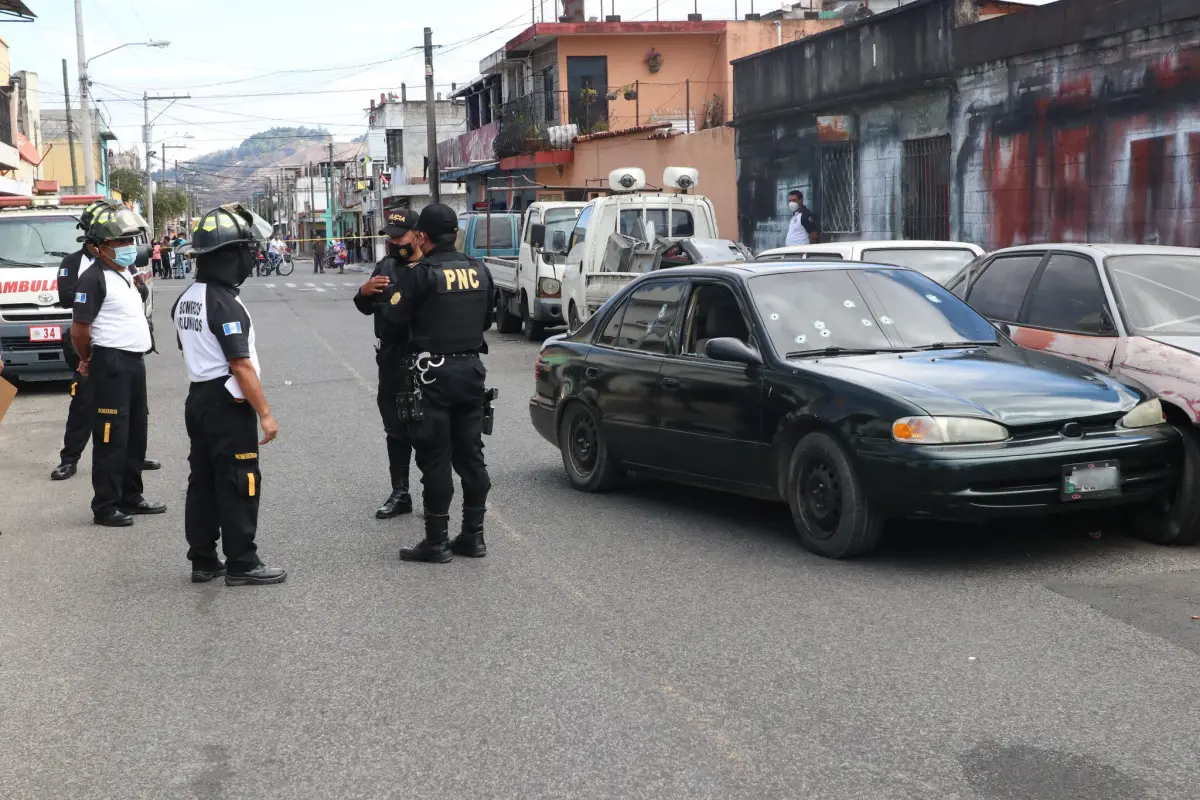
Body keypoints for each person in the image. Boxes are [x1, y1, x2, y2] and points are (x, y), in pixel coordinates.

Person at [170, 204, 286, 586]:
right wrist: (265, 414)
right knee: (240, 480)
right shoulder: (223, 302)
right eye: (246, 252)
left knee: (202, 480)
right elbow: (240, 365)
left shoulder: (188, 297)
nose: (250, 259)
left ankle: (203, 559)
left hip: (199, 397)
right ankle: (241, 562)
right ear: (230, 256)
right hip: (226, 403)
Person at [381, 203, 495, 563]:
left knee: (435, 460)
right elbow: (488, 317)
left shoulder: (421, 273)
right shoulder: (480, 270)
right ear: (455, 234)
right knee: (473, 459)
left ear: (422, 236)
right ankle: (473, 538)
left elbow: (393, 321)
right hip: (471, 372)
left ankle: (437, 542)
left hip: (431, 375)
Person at [52, 200, 161, 482]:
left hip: (126, 352)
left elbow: (140, 294)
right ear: (96, 237)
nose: (126, 245)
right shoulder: (77, 265)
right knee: (84, 406)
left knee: (132, 414)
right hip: (91, 347)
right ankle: (69, 458)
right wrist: (97, 287)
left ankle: (132, 457)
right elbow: (69, 301)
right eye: (119, 238)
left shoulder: (122, 267)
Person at [71, 205, 166, 527]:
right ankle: (106, 505)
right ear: (99, 247)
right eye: (120, 242)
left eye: (129, 240)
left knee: (135, 432)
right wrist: (86, 360)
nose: (127, 247)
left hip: (133, 361)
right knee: (111, 435)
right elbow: (79, 329)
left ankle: (131, 496)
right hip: (110, 363)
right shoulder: (92, 278)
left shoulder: (123, 273)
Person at [353, 210, 417, 520]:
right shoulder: (386, 265)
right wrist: (363, 293)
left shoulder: (431, 267)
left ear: (418, 235)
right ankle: (400, 492)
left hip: (424, 359)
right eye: (389, 237)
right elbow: (366, 306)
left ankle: (435, 493)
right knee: (395, 428)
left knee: (430, 428)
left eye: (399, 236)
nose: (393, 243)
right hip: (391, 358)